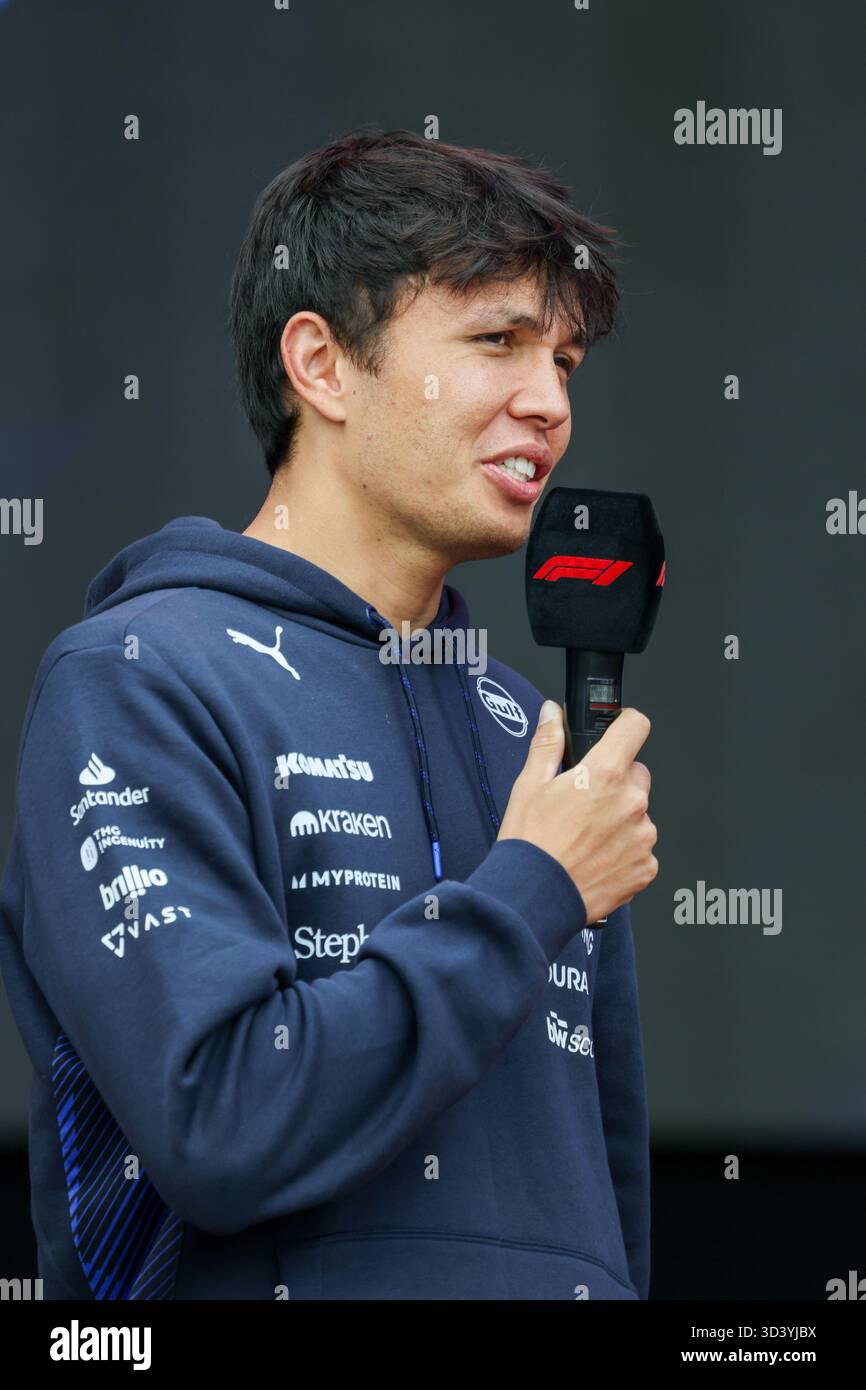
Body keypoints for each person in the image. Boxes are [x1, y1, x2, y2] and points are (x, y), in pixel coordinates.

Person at [0, 127, 658, 1301]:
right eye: (497, 340)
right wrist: (529, 890)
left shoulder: (532, 734)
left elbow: (604, 1205)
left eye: (563, 359)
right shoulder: (140, 673)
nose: (548, 401)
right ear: (320, 363)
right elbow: (221, 1118)